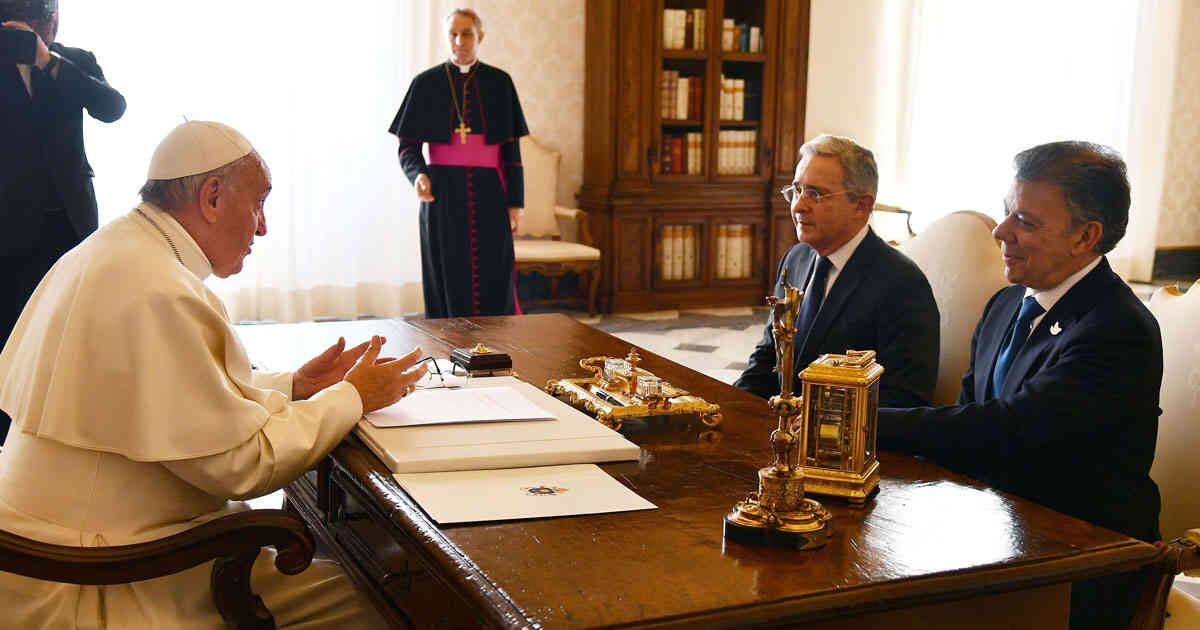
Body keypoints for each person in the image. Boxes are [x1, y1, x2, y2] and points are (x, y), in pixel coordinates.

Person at [0, 121, 426, 628]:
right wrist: (353, 396)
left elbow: (159, 392)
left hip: (60, 551)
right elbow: (244, 467)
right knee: (372, 606)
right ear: (213, 197)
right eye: (260, 203)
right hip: (104, 577)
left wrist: (296, 387)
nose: (263, 228)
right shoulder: (160, 288)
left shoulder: (118, 250)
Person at [877, 141, 1161, 630]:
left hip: (1081, 562)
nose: (1000, 231)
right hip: (997, 533)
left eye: (1026, 222)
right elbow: (966, 425)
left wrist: (862, 418)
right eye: (1007, 212)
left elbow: (1005, 429)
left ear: (1086, 236)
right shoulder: (1006, 306)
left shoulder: (1116, 329)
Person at [734, 134, 940, 407]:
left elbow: (904, 399)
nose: (798, 206)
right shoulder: (795, 259)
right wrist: (731, 404)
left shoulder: (902, 285)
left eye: (815, 194)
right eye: (796, 190)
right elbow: (770, 355)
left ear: (861, 206)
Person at [0, 0, 125, 442]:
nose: (42, 27)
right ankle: (10, 443)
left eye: (45, 21)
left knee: (73, 329)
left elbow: (112, 106)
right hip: (9, 228)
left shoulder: (73, 61)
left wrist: (45, 60)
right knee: (10, 332)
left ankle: (72, 432)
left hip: (70, 223)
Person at [388, 7, 529, 318]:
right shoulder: (426, 83)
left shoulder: (500, 83)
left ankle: (497, 341)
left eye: (466, 33)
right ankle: (447, 341)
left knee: (493, 267)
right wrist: (418, 176)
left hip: (490, 192)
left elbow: (511, 153)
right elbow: (407, 147)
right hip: (441, 191)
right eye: (452, 34)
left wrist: (515, 203)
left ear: (480, 37)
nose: (459, 40)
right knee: (445, 267)